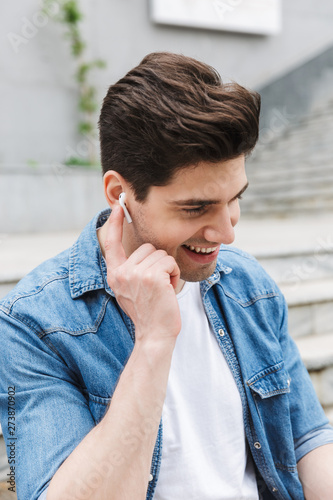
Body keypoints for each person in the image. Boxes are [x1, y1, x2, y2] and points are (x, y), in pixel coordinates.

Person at [0, 52, 333, 500]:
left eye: (235, 198)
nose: (228, 232)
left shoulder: (247, 284)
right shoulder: (32, 322)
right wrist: (154, 342)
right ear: (121, 194)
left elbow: (307, 440)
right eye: (196, 207)